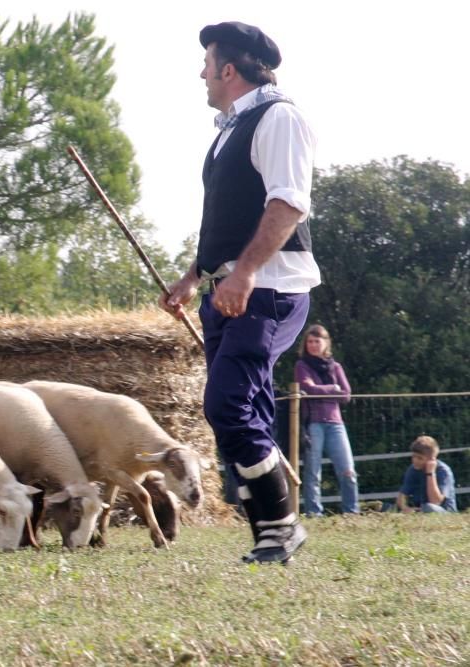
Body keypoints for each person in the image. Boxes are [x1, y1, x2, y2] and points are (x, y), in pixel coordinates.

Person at [159, 21, 319, 564]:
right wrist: (194, 275)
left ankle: (281, 528)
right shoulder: (230, 129)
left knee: (226, 404)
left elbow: (288, 204)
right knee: (241, 410)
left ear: (228, 69)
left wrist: (245, 273)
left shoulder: (279, 117)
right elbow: (227, 220)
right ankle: (272, 534)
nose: (200, 72)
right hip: (232, 288)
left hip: (269, 288)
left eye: (206, 63)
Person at [294, 324, 359, 516]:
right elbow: (308, 389)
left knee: (348, 471)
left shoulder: (336, 367)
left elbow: (346, 395)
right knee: (313, 472)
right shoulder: (301, 365)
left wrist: (321, 389)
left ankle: (352, 512)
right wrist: (333, 389)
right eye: (310, 342)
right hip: (313, 423)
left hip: (336, 423)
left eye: (317, 341)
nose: (313, 345)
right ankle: (314, 513)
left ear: (326, 343)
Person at [397, 435, 458, 513]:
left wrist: (430, 473)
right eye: (413, 456)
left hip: (444, 512)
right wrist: (405, 508)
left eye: (420, 458)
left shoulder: (443, 471)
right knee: (383, 507)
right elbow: (402, 496)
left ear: (432, 459)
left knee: (429, 507)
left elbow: (435, 501)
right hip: (420, 510)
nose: (415, 460)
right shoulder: (413, 469)